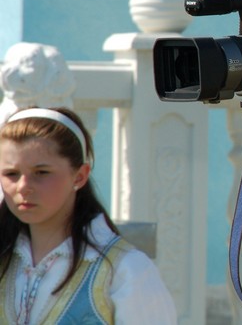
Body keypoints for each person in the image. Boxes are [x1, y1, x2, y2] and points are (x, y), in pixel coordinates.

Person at [0, 107, 177, 324]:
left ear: (80, 176)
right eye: (11, 174)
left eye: (41, 172)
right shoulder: (6, 259)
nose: (23, 187)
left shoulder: (125, 270)